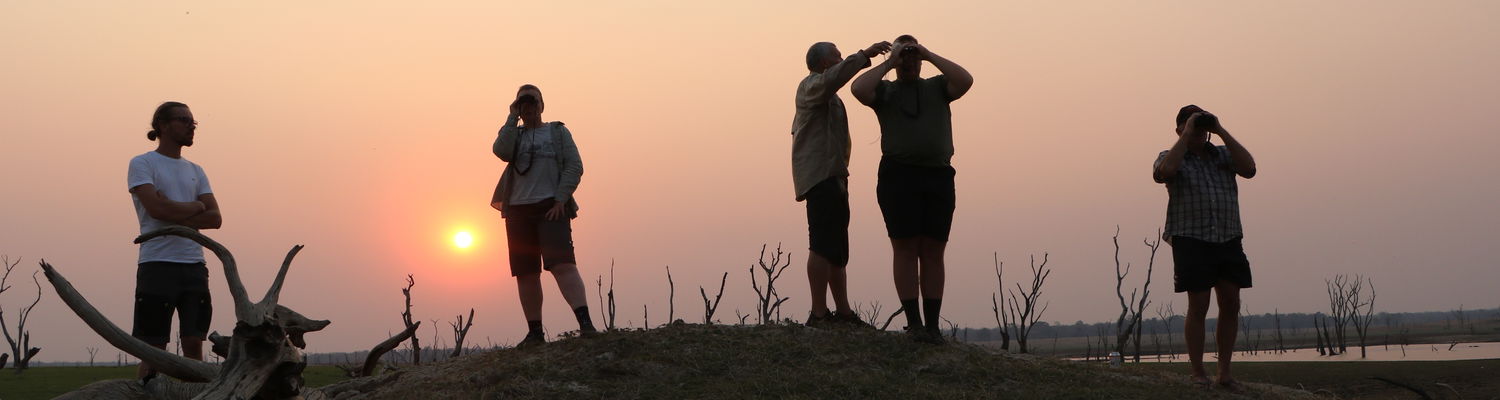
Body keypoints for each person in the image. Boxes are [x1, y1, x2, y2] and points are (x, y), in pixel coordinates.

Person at [851, 34, 973, 343]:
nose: (909, 61)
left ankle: (932, 326)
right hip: (898, 176)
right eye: (905, 56)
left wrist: (928, 54)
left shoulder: (936, 86)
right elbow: (858, 89)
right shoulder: (886, 90)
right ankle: (914, 324)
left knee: (933, 250)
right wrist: (891, 60)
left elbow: (965, 79)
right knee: (905, 249)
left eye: (912, 56)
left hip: (938, 175)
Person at [1152, 105, 1257, 390]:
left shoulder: (1223, 155)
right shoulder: (1170, 155)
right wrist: (1186, 135)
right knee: (1198, 305)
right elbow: (1166, 172)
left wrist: (1220, 129)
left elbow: (1249, 169)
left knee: (1231, 303)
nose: (1199, 132)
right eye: (1191, 126)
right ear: (1179, 129)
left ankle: (1225, 373)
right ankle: (1198, 372)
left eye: (1201, 127)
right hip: (1191, 239)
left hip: (1227, 236)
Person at [791, 40, 891, 327]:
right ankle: (819, 313)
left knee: (837, 246)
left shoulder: (831, 96)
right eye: (836, 55)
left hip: (835, 177)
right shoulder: (810, 87)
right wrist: (864, 56)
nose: (840, 58)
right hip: (819, 177)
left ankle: (843, 312)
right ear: (824, 63)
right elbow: (837, 77)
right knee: (821, 244)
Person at [492, 84, 596, 347]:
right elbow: (501, 151)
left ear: (542, 104)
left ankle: (586, 324)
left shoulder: (557, 132)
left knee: (562, 264)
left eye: (533, 101)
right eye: (523, 103)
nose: (529, 107)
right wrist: (511, 116)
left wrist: (561, 198)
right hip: (517, 209)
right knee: (526, 272)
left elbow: (575, 165)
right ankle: (535, 332)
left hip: (551, 207)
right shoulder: (513, 135)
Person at [127, 101, 223, 379]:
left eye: (194, 121)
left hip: (194, 265)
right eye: (183, 120)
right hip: (156, 264)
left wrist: (174, 209)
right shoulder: (142, 163)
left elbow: (215, 218)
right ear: (162, 126)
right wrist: (195, 207)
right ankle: (144, 395)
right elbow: (156, 210)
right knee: (153, 347)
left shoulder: (196, 169)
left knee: (194, 343)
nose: (191, 126)